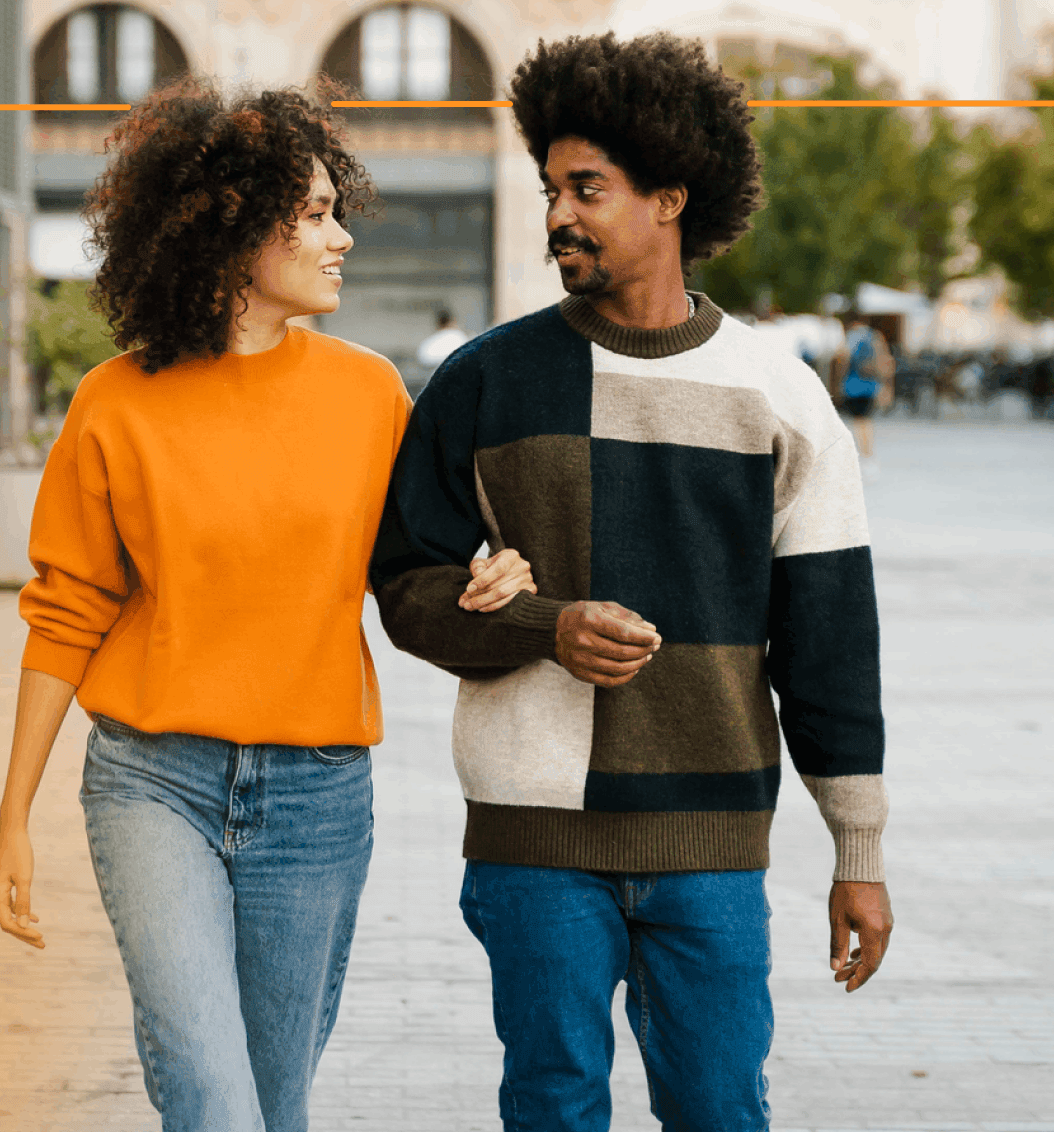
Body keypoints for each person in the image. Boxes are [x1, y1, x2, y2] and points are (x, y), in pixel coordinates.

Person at [0, 79, 538, 1132]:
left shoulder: (372, 394)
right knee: (209, 1090)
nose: (343, 242)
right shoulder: (113, 403)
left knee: (275, 1109)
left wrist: (492, 578)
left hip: (318, 796)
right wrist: (12, 815)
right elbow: (66, 608)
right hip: (152, 779)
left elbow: (421, 565)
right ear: (234, 225)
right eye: (318, 214)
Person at [368, 32, 893, 1132]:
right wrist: (540, 625)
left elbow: (830, 650)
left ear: (669, 196)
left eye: (587, 188)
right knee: (552, 1108)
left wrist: (859, 852)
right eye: (550, 187)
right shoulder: (485, 382)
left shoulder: (780, 397)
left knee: (720, 1109)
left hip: (709, 846)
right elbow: (405, 583)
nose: (558, 212)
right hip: (533, 838)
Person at [834, 312, 895, 472]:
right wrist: (887, 386)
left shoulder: (850, 337)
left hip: (853, 385)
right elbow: (886, 360)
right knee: (866, 421)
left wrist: (837, 383)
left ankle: (865, 455)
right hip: (871, 385)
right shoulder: (874, 336)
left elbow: (843, 360)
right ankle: (868, 455)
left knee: (859, 422)